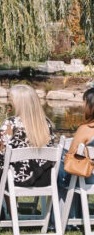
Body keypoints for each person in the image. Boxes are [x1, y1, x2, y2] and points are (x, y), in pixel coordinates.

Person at [0, 84, 57, 187]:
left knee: (2, 169)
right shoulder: (46, 124)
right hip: (44, 178)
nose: (9, 102)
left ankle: (10, 203)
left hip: (16, 179)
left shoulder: (10, 124)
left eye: (11, 100)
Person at [59, 88, 94, 223]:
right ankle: (76, 215)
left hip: (89, 176)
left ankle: (62, 219)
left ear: (91, 106)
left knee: (59, 173)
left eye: (84, 102)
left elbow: (72, 155)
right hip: (88, 175)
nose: (82, 106)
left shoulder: (85, 129)